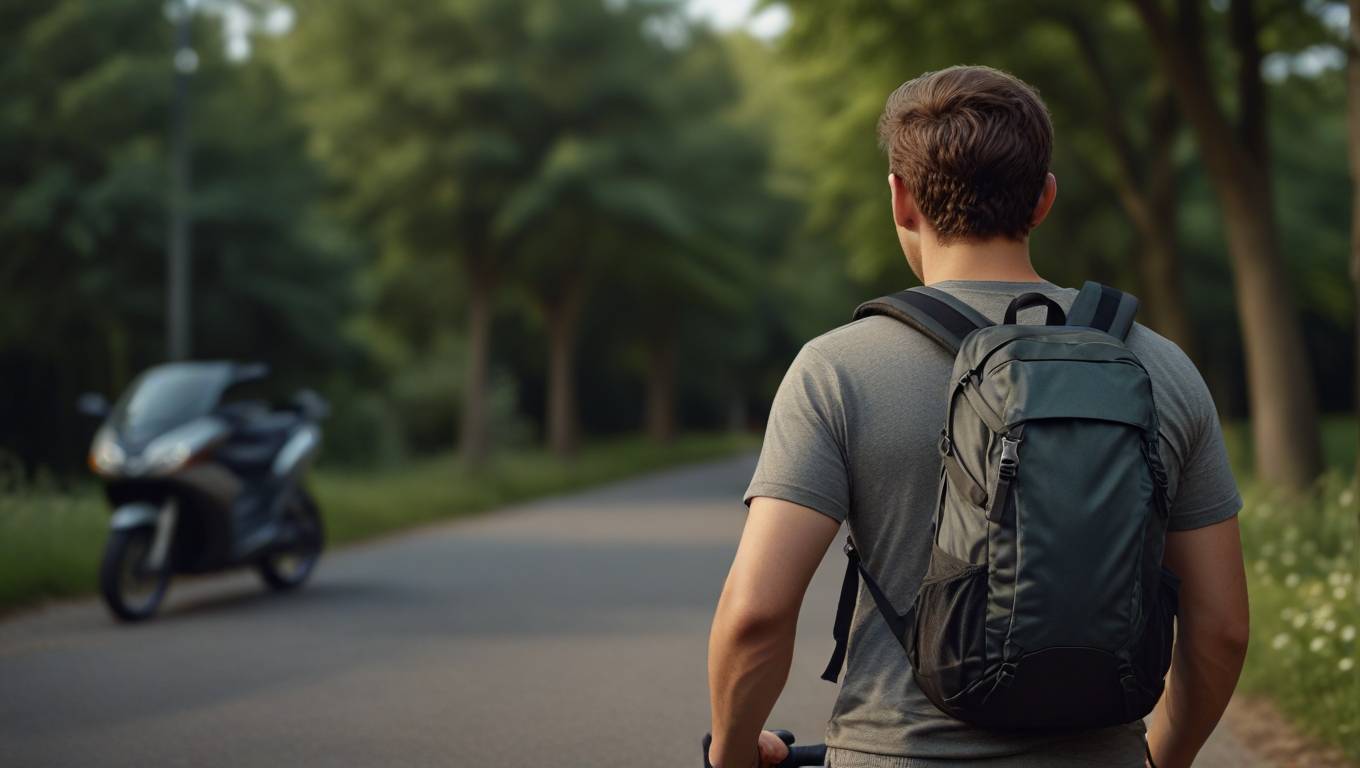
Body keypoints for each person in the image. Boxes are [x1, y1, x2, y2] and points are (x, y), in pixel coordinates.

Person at [707, 65, 1250, 768]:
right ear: (1044, 199)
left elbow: (756, 616)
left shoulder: (837, 369)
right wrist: (1161, 758)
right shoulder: (1160, 366)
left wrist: (730, 754)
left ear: (901, 200)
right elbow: (1223, 629)